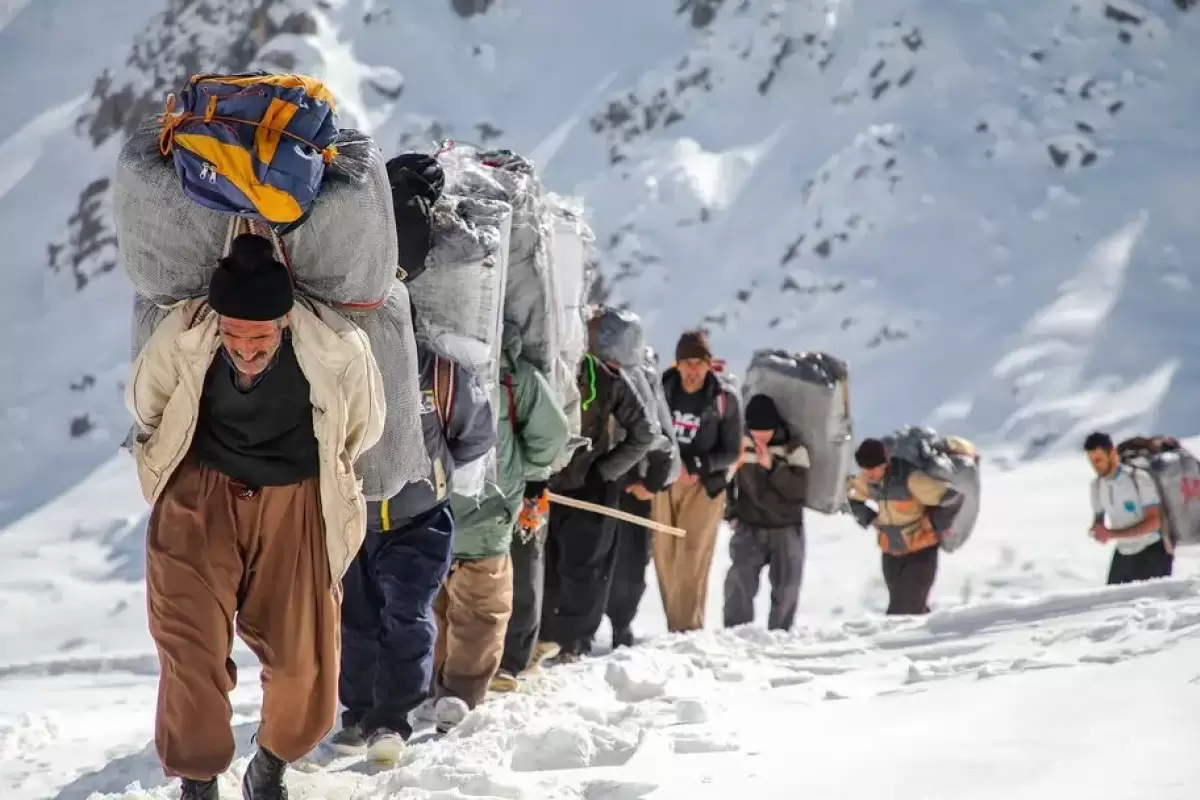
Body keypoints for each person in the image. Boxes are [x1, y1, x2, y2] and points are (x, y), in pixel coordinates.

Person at [125, 234, 385, 800]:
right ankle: (197, 782)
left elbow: (363, 428)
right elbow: (148, 403)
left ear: (285, 322)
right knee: (188, 647)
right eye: (234, 334)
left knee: (302, 661)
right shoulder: (186, 335)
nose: (244, 348)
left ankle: (269, 766)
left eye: (259, 336)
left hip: (293, 503)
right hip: (199, 498)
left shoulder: (337, 349)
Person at [332, 338, 494, 762]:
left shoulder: (438, 370)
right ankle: (359, 712)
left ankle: (391, 721)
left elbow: (474, 434)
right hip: (354, 520)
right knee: (357, 619)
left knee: (407, 616)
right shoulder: (339, 355)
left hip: (422, 520)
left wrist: (432, 478)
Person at [435, 326, 569, 723]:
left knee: (434, 597)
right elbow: (552, 434)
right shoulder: (516, 376)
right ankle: (459, 692)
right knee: (481, 604)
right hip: (491, 502)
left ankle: (433, 686)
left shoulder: (429, 366)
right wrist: (531, 476)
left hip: (429, 500)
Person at [540, 319, 657, 661]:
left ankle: (573, 642)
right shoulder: (548, 372)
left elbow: (645, 434)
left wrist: (605, 471)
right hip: (546, 489)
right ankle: (549, 640)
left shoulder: (607, 380)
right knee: (553, 566)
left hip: (585, 491)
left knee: (581, 569)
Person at [651, 330, 744, 632]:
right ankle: (674, 626)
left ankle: (686, 630)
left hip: (704, 487)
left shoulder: (724, 399)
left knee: (692, 557)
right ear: (677, 364)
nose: (693, 371)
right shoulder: (662, 391)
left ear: (708, 364)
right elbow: (649, 433)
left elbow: (732, 452)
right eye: (687, 363)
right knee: (665, 557)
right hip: (666, 482)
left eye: (698, 363)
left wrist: (697, 466)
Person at [846, 438, 962, 615]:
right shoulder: (867, 480)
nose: (869, 474)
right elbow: (853, 497)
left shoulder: (912, 479)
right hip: (891, 553)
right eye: (865, 469)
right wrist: (870, 518)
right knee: (908, 608)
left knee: (904, 612)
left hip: (921, 552)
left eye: (873, 468)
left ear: (884, 463)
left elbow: (953, 498)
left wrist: (933, 522)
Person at [723, 395, 810, 631]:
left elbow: (798, 490)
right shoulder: (741, 444)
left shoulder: (794, 447)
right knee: (738, 582)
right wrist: (730, 513)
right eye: (755, 431)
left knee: (786, 587)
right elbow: (727, 482)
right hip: (749, 525)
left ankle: (780, 635)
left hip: (786, 527)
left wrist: (773, 466)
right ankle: (735, 633)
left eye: (766, 431)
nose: (760, 437)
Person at [605, 414, 679, 649]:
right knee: (583, 563)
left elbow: (662, 441)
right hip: (589, 491)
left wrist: (653, 483)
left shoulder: (641, 384)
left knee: (630, 568)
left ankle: (621, 625)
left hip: (632, 497)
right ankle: (575, 635)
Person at [1084, 431, 1174, 584]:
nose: (1095, 466)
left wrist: (1112, 534)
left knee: (1149, 605)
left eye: (1099, 460)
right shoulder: (1097, 486)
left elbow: (1154, 522)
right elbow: (1098, 519)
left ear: (1112, 453)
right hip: (1123, 552)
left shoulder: (1138, 479)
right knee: (1111, 605)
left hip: (1152, 552)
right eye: (1091, 461)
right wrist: (1097, 529)